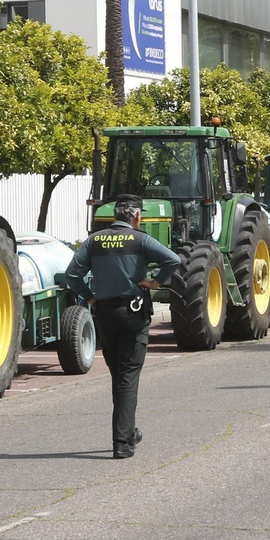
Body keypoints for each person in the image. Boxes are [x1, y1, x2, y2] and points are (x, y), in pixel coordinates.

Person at [61, 194, 183, 459]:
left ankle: (127, 432)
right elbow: (173, 260)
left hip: (104, 314)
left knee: (119, 375)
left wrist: (90, 297)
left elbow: (72, 275)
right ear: (137, 217)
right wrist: (155, 282)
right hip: (133, 314)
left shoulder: (94, 241)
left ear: (114, 215)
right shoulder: (140, 240)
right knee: (127, 376)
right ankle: (123, 441)